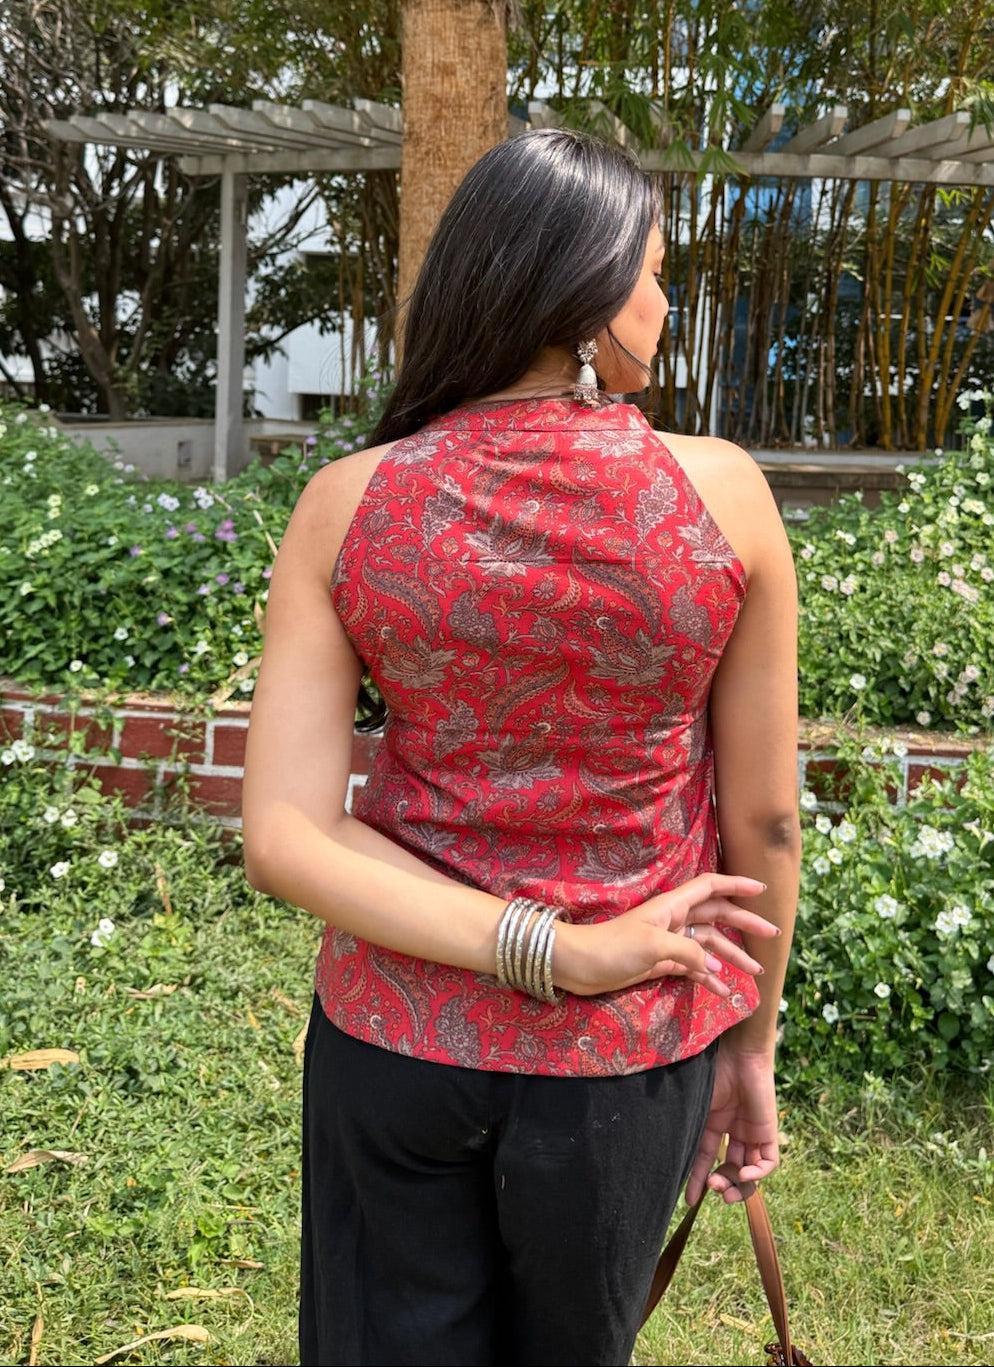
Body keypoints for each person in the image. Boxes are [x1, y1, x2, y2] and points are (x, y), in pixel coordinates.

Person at [242, 127, 800, 1367]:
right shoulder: (719, 496)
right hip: (626, 1054)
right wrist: (741, 1039)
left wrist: (523, 945)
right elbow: (763, 823)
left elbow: (283, 833)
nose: (663, 299)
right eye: (654, 270)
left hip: (391, 1042)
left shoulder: (350, 499)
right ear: (591, 294)